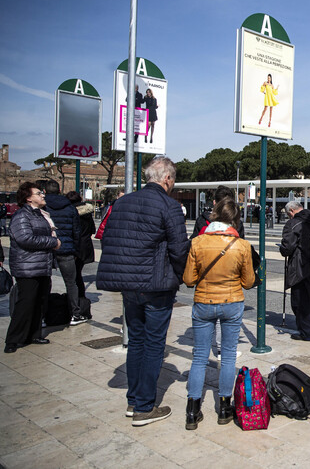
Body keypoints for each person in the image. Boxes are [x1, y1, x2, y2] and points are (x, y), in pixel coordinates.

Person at [96, 157, 190, 426]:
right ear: (167, 179)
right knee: (154, 343)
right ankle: (144, 407)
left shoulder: (122, 203)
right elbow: (179, 249)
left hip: (129, 285)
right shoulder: (169, 206)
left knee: (135, 340)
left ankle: (133, 399)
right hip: (156, 284)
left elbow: (108, 239)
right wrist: (183, 276)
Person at [182, 198, 254, 430]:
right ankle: (224, 408)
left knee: (200, 357)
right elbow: (248, 282)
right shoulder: (242, 245)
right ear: (235, 219)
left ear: (214, 215)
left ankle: (192, 410)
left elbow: (188, 279)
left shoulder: (197, 242)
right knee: (229, 356)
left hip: (203, 302)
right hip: (232, 302)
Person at [191, 185, 246, 359]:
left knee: (199, 356)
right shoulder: (237, 224)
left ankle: (204, 348)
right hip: (230, 286)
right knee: (228, 353)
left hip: (205, 285)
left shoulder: (202, 221)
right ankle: (222, 349)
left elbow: (189, 274)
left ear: (214, 202)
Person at [5, 182, 61, 353]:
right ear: (28, 198)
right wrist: (52, 242)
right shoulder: (22, 216)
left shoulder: (40, 214)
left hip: (41, 264)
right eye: (38, 193)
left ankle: (34, 334)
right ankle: (13, 339)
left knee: (40, 301)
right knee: (26, 302)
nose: (42, 195)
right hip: (27, 266)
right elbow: (25, 239)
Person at [279, 201, 310, 341]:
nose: (289, 216)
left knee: (300, 300)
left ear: (292, 210)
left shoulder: (293, 223)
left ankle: (307, 332)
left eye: (288, 214)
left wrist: (282, 248)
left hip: (301, 267)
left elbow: (287, 247)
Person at [43, 180, 84, 326]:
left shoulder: (42, 206)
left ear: (44, 191)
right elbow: (76, 231)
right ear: (59, 189)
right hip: (66, 249)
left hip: (47, 249)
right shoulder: (69, 207)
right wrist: (76, 249)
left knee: (45, 283)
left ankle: (42, 316)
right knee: (71, 283)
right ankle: (75, 314)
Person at [66, 191, 95, 320]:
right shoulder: (87, 214)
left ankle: (77, 302)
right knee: (78, 274)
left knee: (74, 277)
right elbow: (92, 230)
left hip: (76, 247)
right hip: (86, 246)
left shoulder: (71, 213)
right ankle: (80, 299)